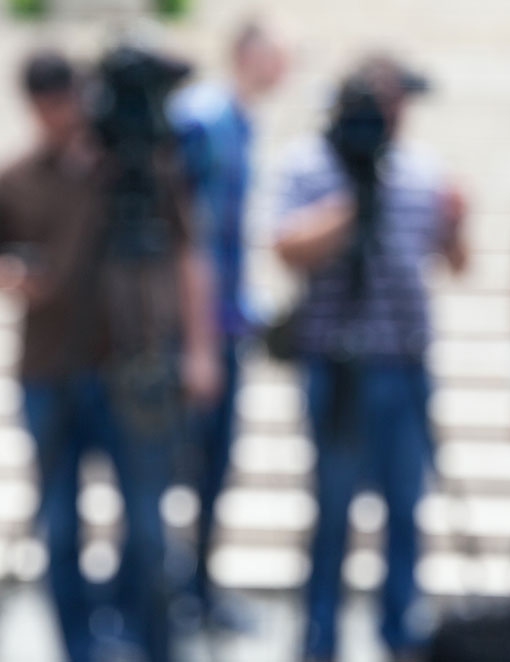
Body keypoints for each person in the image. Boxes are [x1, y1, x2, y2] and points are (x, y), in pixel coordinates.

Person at [0, 50, 218, 662]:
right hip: (50, 370)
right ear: (33, 106)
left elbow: (190, 254)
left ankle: (148, 643)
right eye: (52, 102)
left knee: (145, 523)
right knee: (59, 526)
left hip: (132, 366)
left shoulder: (145, 170)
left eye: (73, 98)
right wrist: (15, 276)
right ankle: (79, 649)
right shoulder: (13, 178)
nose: (67, 113)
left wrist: (199, 348)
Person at [272, 54, 467, 662]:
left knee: (405, 509)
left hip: (404, 361)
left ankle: (399, 634)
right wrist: (355, 198)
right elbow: (286, 247)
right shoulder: (310, 163)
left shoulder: (422, 169)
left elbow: (455, 263)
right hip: (335, 364)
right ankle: (319, 637)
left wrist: (458, 224)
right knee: (332, 510)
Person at [168, 19, 287, 627]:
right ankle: (168, 594)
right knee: (177, 468)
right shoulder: (204, 118)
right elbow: (193, 236)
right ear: (246, 53)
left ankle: (197, 588)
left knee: (214, 468)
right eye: (276, 53)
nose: (285, 65)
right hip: (194, 328)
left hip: (226, 322)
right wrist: (200, 337)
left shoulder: (239, 120)